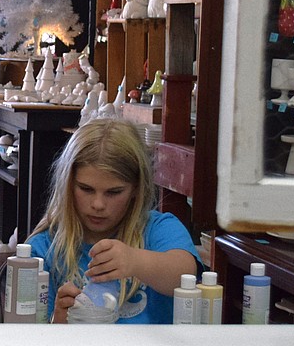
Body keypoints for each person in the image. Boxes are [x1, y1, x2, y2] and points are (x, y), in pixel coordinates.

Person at [26, 117, 200, 324]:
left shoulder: (158, 228)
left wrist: (135, 261)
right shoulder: (42, 249)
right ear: (68, 184)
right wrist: (60, 321)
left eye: (114, 192)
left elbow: (184, 275)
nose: (98, 204)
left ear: (136, 187)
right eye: (86, 189)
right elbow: (33, 341)